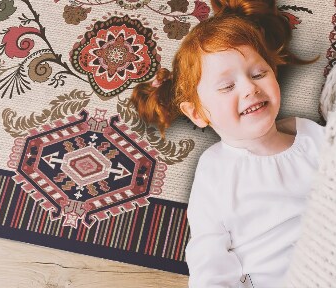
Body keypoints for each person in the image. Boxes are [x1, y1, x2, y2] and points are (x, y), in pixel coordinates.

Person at [130, 0, 324, 286]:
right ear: (197, 113)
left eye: (259, 73)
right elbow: (209, 250)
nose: (250, 88)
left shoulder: (311, 136)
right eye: (226, 87)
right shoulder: (215, 168)